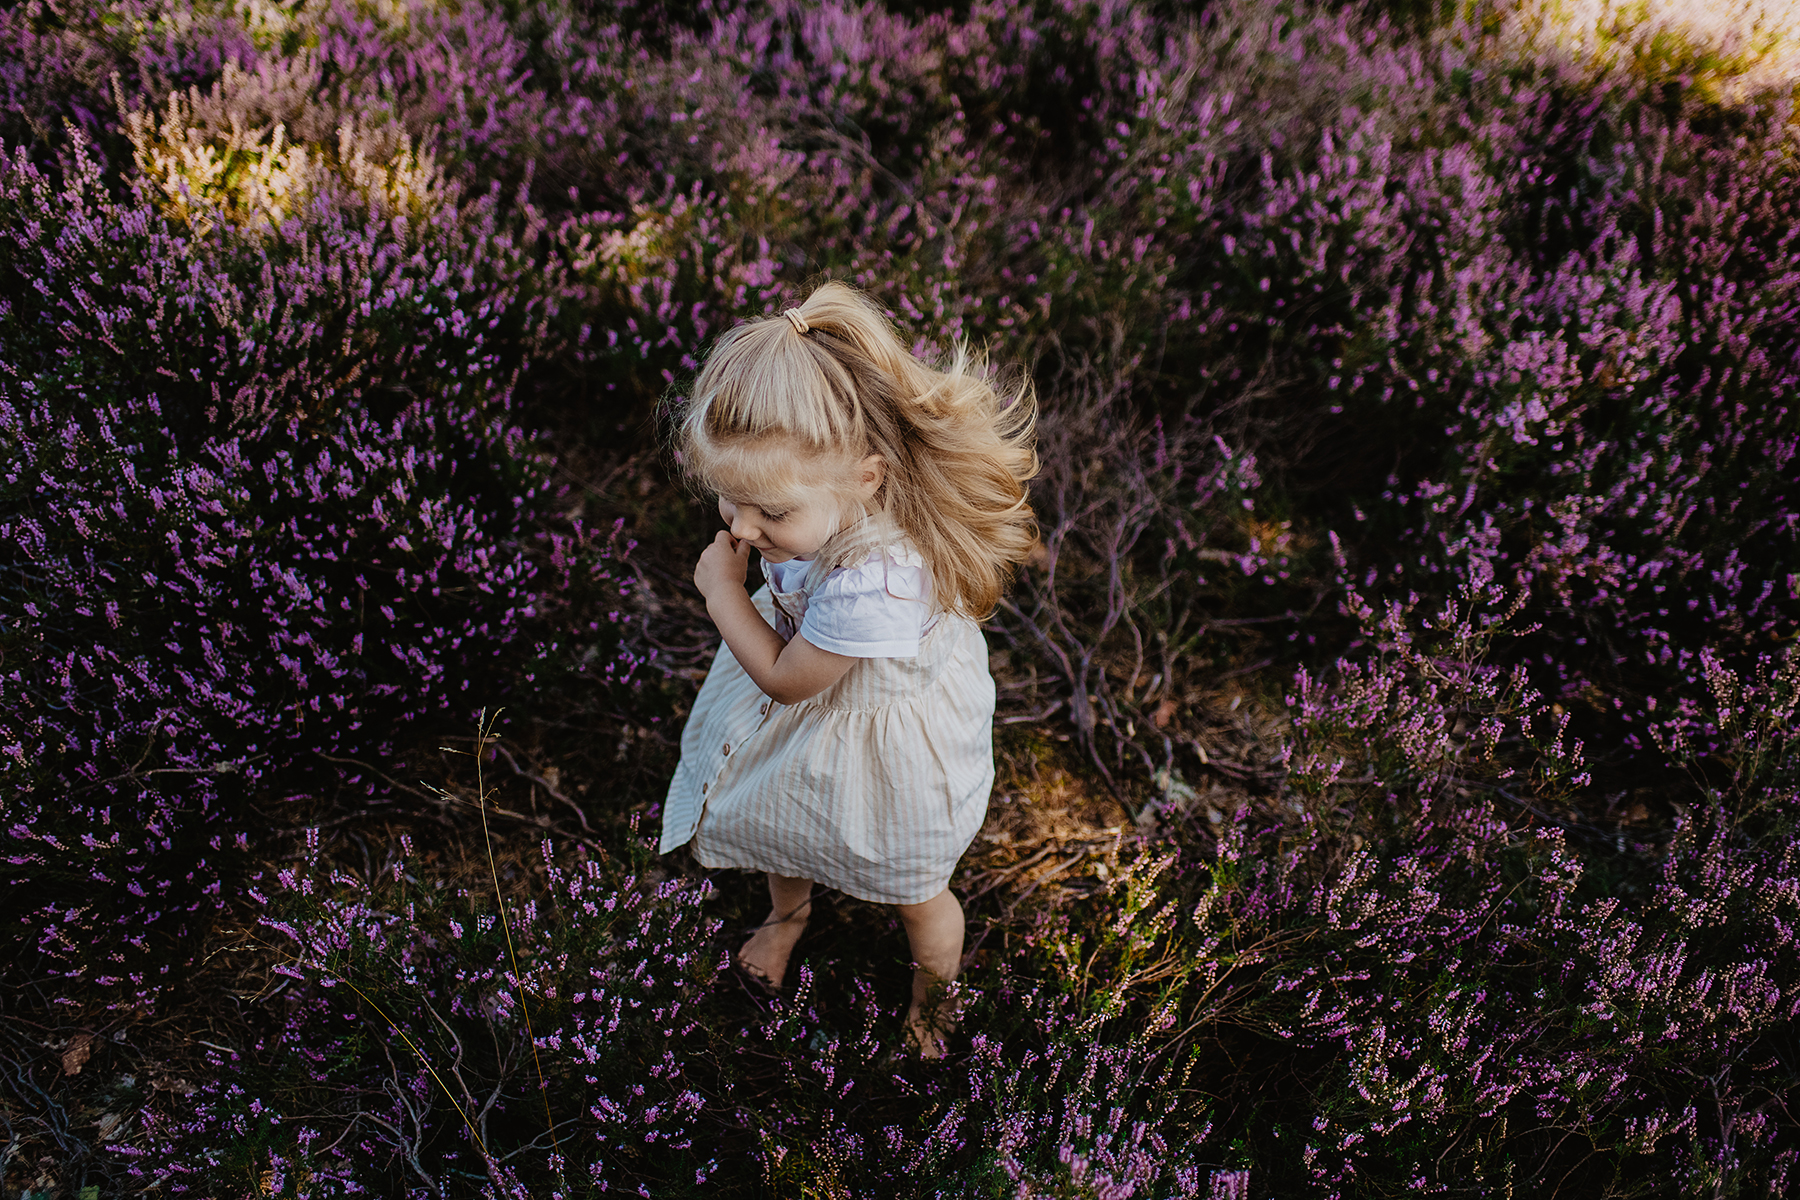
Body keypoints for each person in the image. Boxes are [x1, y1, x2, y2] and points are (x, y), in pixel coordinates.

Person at [659, 282, 1038, 1056]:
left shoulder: (878, 578)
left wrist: (722, 591)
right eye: (731, 503)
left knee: (916, 886)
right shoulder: (821, 499)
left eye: (770, 512)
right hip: (819, 704)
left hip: (883, 742)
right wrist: (765, 546)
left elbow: (786, 678)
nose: (743, 527)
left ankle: (933, 1002)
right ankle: (787, 915)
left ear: (865, 478)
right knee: (780, 823)